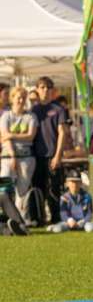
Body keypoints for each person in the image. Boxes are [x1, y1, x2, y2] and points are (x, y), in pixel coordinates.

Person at [31, 77, 69, 226]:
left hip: (53, 156)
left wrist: (58, 156)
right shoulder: (33, 110)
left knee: (54, 189)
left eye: (48, 87)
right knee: (37, 188)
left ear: (53, 90)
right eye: (42, 87)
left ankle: (55, 218)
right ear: (37, 89)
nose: (45, 90)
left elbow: (63, 133)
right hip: (36, 156)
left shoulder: (59, 109)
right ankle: (37, 219)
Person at [0, 87, 38, 225]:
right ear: (12, 98)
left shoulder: (31, 117)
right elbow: (5, 137)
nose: (21, 100)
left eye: (23, 97)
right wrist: (12, 156)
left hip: (27, 158)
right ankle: (4, 218)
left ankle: (19, 221)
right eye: (18, 97)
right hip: (7, 157)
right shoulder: (5, 116)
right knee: (3, 188)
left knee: (22, 191)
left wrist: (12, 134)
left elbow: (30, 136)